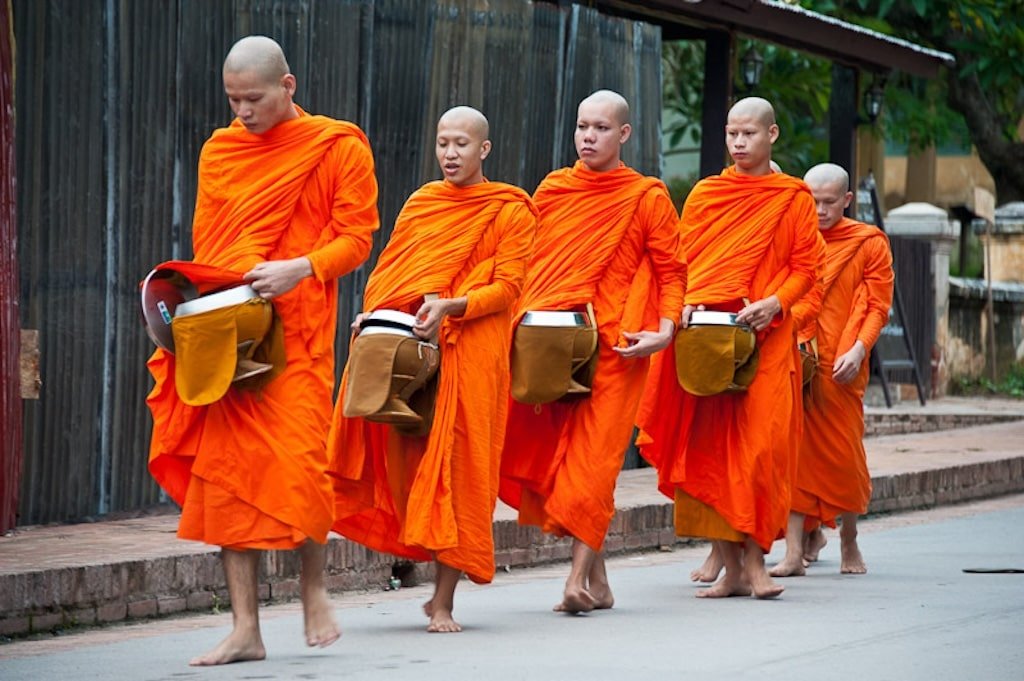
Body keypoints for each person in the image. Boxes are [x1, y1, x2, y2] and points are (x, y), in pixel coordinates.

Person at [146, 36, 379, 665]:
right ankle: (245, 628)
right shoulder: (220, 151)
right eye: (233, 99)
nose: (242, 111)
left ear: (289, 86)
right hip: (233, 335)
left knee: (302, 463)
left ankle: (314, 590)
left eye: (254, 98)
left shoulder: (337, 146)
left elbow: (356, 238)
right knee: (225, 479)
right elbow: (208, 240)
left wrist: (299, 268)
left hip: (298, 336)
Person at [328, 106, 537, 633]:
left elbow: (510, 287)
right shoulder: (422, 203)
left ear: (483, 149)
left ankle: (443, 601)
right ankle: (425, 568)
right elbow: (391, 271)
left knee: (460, 472)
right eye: (443, 142)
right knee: (412, 466)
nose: (450, 153)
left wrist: (453, 306)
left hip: (473, 354)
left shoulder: (510, 209)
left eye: (462, 144)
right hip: (413, 350)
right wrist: (371, 313)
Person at [499, 90, 686, 614]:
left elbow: (673, 271)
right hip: (552, 343)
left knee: (595, 463)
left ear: (623, 134)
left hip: (616, 348)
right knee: (555, 462)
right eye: (582, 126)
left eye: (601, 128)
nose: (588, 137)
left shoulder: (646, 196)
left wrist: (665, 330)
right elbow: (526, 260)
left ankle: (575, 581)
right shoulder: (554, 189)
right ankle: (599, 582)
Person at [637, 96, 819, 599]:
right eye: (731, 134)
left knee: (759, 451)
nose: (739, 144)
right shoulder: (705, 194)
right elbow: (684, 262)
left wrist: (775, 303)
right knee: (714, 453)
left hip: (768, 340)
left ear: (772, 136)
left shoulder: (793, 197)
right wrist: (687, 305)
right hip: (709, 340)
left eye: (749, 134)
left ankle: (757, 561)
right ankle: (737, 571)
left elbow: (808, 269)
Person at [769, 163, 894, 577]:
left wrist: (860, 351)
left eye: (828, 202)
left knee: (844, 456)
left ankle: (848, 536)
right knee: (793, 453)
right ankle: (792, 550)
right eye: (812, 201)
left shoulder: (868, 242)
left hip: (841, 364)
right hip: (794, 358)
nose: (820, 211)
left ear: (847, 200)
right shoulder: (795, 237)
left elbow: (877, 305)